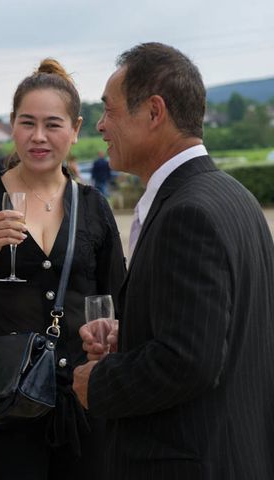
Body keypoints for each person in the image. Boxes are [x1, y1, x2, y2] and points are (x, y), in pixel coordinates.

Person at [73, 42, 274, 480]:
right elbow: (218, 330)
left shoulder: (188, 213)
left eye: (109, 110)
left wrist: (100, 383)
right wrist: (133, 336)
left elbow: (191, 361)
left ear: (154, 111)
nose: (102, 126)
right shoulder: (235, 196)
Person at [0, 58, 126, 480]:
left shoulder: (93, 206)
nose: (38, 137)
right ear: (11, 124)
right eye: (26, 123)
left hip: (84, 397)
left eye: (53, 124)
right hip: (8, 402)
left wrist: (108, 337)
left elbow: (116, 297)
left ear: (75, 129)